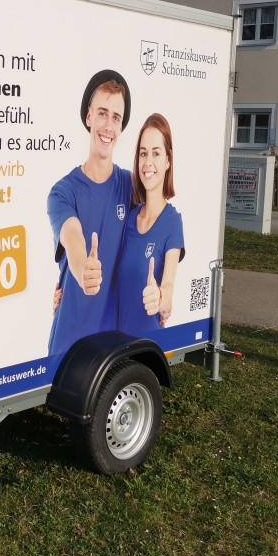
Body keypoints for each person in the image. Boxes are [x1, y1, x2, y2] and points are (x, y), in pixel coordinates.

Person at [46, 70, 133, 356]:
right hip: (69, 344)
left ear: (121, 127)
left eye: (116, 118)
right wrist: (83, 268)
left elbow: (161, 225)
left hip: (114, 343)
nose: (108, 125)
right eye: (102, 114)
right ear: (89, 117)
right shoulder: (62, 192)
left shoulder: (131, 187)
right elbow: (72, 235)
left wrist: (164, 290)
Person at [118, 113, 184, 333]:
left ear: (168, 160)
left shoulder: (172, 222)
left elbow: (168, 285)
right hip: (115, 344)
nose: (148, 162)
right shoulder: (129, 219)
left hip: (146, 346)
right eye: (143, 153)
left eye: (156, 153)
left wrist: (160, 298)